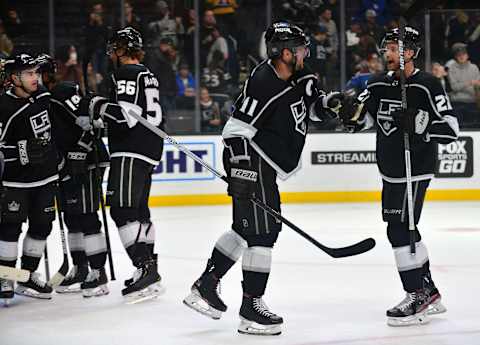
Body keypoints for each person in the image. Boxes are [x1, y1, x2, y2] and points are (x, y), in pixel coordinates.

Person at [183, 21, 342, 335]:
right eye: (299, 49)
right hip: (251, 159)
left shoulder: (299, 75)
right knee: (263, 233)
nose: (305, 53)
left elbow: (313, 106)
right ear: (284, 53)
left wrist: (333, 104)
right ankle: (251, 308)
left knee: (244, 229)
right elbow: (234, 131)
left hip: (264, 161)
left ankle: (206, 285)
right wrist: (242, 172)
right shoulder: (264, 82)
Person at [339, 26, 458, 326]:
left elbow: (451, 129)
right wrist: (352, 119)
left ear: (411, 52)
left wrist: (421, 125)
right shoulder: (378, 83)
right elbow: (366, 118)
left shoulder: (428, 85)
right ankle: (428, 290)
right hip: (390, 168)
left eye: (394, 49)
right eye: (387, 48)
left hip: (414, 168)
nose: (388, 54)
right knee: (407, 228)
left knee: (399, 230)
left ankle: (416, 295)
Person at [86, 27, 165, 301]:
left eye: (115, 49)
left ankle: (145, 269)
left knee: (121, 210)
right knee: (140, 211)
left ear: (122, 50)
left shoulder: (126, 74)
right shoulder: (148, 73)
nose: (112, 54)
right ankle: (149, 269)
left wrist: (97, 106)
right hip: (149, 148)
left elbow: (126, 116)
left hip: (131, 149)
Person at [36, 54, 110, 297]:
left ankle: (99, 273)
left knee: (88, 216)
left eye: (37, 73)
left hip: (88, 162)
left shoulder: (63, 92)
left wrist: (80, 152)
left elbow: (93, 122)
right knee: (72, 218)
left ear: (46, 74)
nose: (34, 78)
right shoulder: (39, 100)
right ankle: (80, 268)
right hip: (67, 165)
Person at [0, 54, 59, 301]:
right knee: (10, 228)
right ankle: (5, 277)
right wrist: (22, 151)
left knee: (42, 226)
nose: (36, 78)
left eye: (37, 72)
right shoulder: (3, 106)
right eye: (29, 73)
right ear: (15, 78)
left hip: (45, 178)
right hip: (15, 182)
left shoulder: (44, 97)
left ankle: (27, 275)